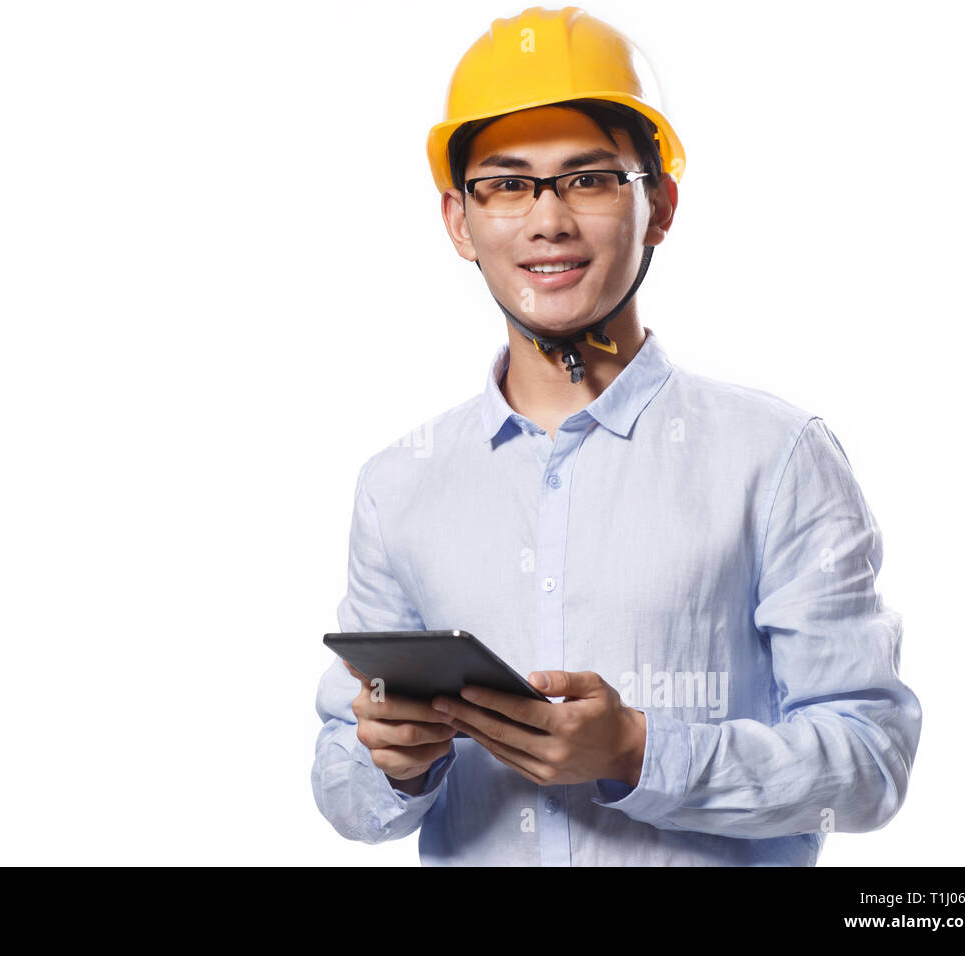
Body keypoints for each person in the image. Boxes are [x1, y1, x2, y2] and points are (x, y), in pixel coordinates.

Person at [310, 6, 921, 866]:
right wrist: (394, 767)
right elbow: (344, 786)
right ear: (459, 221)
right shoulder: (398, 486)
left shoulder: (774, 459)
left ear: (659, 206)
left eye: (589, 178)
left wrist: (638, 752)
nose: (546, 220)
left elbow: (872, 762)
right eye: (507, 184)